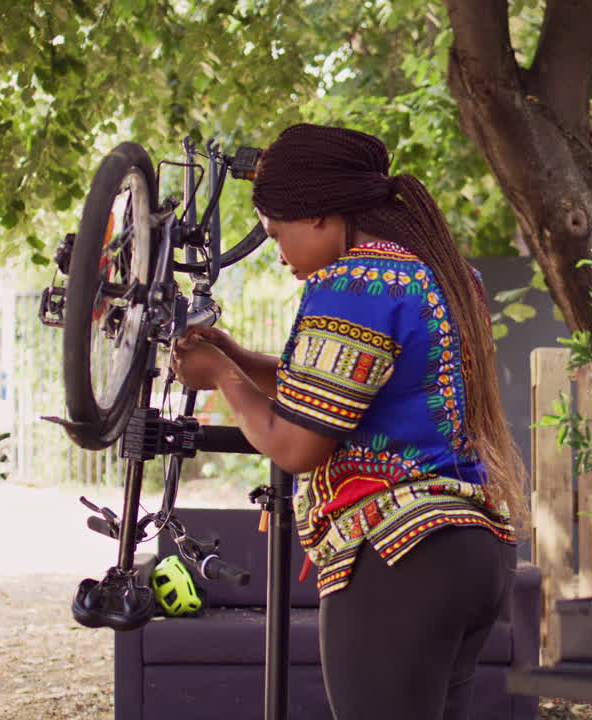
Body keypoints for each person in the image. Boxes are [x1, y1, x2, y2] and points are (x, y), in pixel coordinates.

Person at [170, 123, 527, 720]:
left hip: (399, 559)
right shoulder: (445, 274)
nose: (278, 252)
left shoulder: (351, 281)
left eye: (275, 231)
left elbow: (295, 446)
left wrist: (222, 380)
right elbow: (337, 388)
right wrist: (236, 356)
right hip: (472, 551)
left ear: (318, 214)